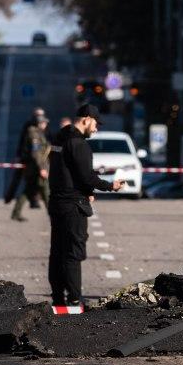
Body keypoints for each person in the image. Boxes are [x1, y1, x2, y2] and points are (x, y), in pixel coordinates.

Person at [47, 104, 126, 306]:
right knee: (74, 252)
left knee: (57, 251)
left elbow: (65, 169)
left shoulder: (60, 137)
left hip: (57, 201)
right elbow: (87, 176)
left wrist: (87, 191)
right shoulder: (78, 143)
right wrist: (111, 186)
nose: (96, 128)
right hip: (73, 205)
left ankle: (58, 298)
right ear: (86, 119)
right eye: (96, 124)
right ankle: (74, 299)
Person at [12, 114, 51, 222]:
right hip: (35, 169)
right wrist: (42, 168)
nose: (45, 124)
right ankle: (53, 214)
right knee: (45, 191)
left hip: (36, 168)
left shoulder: (38, 133)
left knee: (28, 191)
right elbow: (36, 153)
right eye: (44, 123)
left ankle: (16, 212)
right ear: (39, 123)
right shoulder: (34, 134)